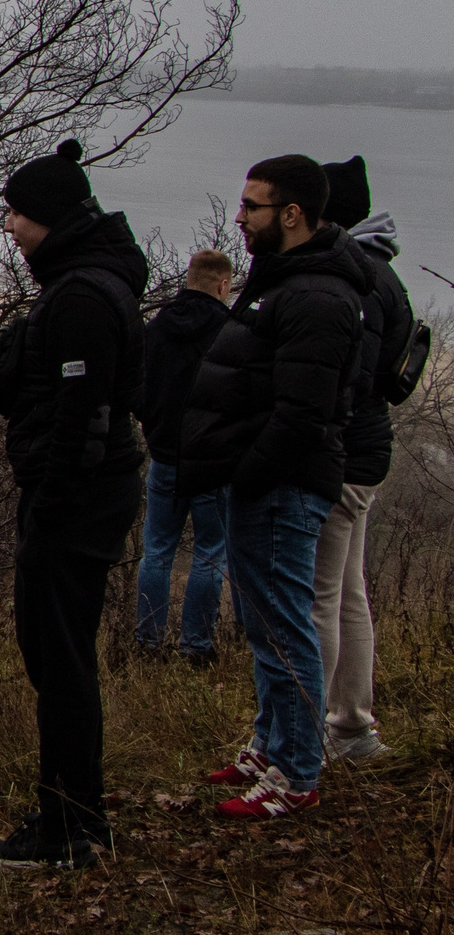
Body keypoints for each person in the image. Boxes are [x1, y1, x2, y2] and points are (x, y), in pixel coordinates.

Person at [179, 156, 369, 820]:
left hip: (283, 484)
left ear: (291, 214)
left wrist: (250, 470)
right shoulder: (283, 281)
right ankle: (270, 744)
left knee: (287, 627)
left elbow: (301, 414)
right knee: (264, 625)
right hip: (262, 480)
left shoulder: (317, 295)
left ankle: (297, 773)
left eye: (252, 206)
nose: (239, 217)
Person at [0, 140, 148, 868]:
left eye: (15, 212)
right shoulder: (87, 281)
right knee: (59, 660)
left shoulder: (80, 297)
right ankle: (69, 813)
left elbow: (83, 419)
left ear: (48, 214)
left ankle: (70, 825)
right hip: (82, 496)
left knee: (63, 662)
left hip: (73, 503)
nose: (9, 225)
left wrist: (48, 510)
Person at [314, 156, 415, 765]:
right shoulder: (383, 273)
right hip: (367, 451)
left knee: (320, 595)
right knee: (348, 592)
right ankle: (350, 725)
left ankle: (316, 734)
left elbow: (348, 379)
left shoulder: (359, 280)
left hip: (345, 451)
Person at [134, 249, 235, 663]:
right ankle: (196, 646)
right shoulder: (230, 331)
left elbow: (140, 390)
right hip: (211, 461)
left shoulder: (157, 327)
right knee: (211, 552)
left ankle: (147, 642)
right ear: (223, 285)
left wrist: (157, 430)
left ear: (188, 278)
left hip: (165, 458)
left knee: (157, 549)